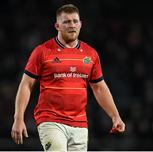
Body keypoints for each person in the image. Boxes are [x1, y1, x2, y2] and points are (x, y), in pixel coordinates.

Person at [11, 4, 125, 151]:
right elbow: (26, 84)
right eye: (66, 22)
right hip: (51, 120)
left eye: (75, 21)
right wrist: (18, 119)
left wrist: (115, 116)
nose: (72, 25)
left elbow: (99, 88)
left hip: (80, 124)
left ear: (81, 24)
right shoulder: (42, 51)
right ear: (57, 26)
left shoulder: (90, 54)